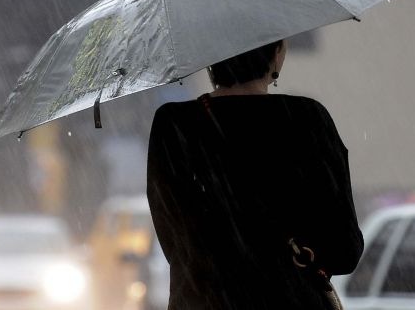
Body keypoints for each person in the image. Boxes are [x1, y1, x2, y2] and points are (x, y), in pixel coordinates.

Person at [146, 39, 364, 310]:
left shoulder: (174, 126)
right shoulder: (308, 120)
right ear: (276, 53)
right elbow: (345, 252)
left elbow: (175, 244)